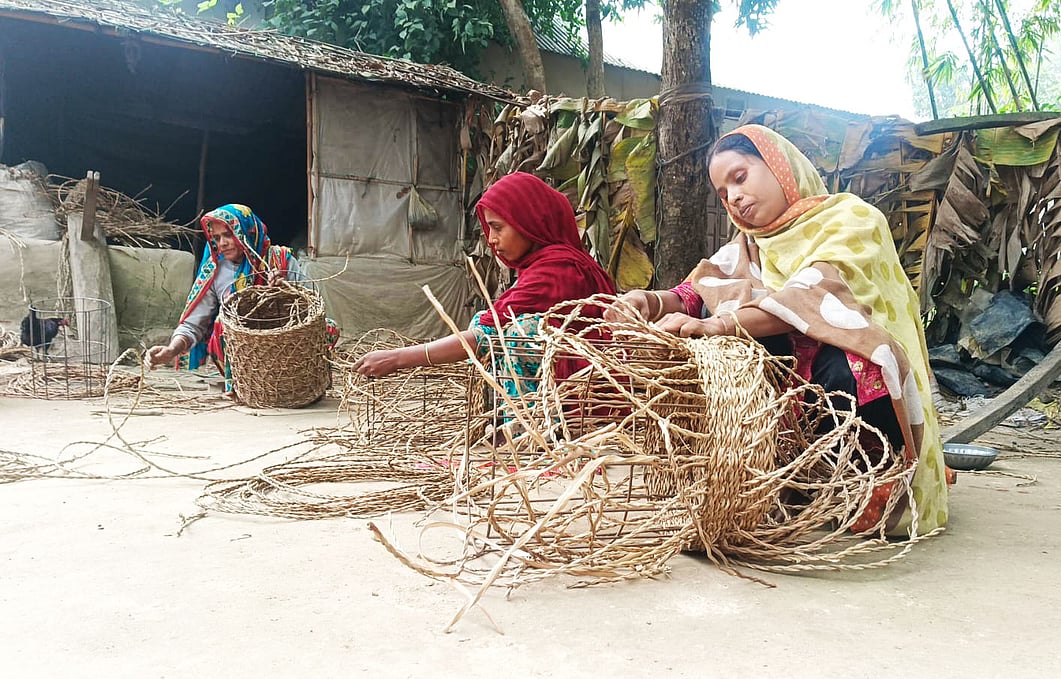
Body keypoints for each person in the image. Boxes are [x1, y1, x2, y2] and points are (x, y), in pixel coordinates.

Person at [608, 124, 949, 535]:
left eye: (740, 177)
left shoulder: (853, 219)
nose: (734, 197)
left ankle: (871, 479)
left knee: (852, 364)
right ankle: (791, 478)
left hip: (846, 376)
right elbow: (700, 290)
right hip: (797, 395)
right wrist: (651, 301)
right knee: (735, 349)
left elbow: (814, 294)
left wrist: (720, 325)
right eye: (723, 193)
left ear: (780, 167)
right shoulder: (748, 246)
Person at [353, 172, 616, 399]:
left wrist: (398, 358)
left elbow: (484, 337)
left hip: (588, 393)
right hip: (574, 382)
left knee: (518, 335)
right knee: (488, 321)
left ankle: (524, 431)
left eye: (498, 228)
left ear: (529, 223)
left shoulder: (557, 271)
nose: (491, 239)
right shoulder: (552, 264)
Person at [145, 204, 337, 392]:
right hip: (244, 352)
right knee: (222, 324)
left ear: (248, 232)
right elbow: (193, 324)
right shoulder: (214, 271)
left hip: (285, 346)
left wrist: (286, 290)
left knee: (328, 327)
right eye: (216, 238)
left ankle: (302, 383)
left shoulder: (280, 261)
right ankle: (244, 385)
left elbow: (314, 306)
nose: (222, 243)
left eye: (228, 234)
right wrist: (171, 350)